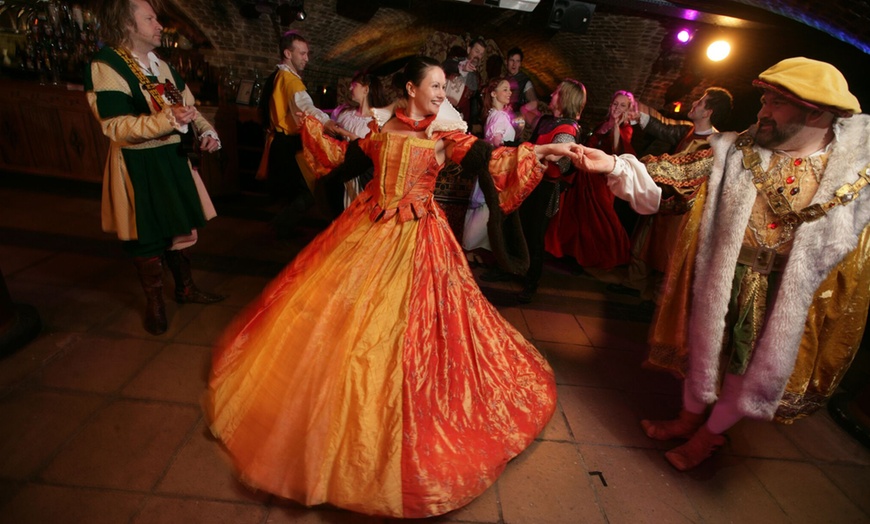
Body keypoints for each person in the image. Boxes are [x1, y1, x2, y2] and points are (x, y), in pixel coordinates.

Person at [208, 56, 579, 518]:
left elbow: (493, 158)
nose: (444, 93)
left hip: (420, 240)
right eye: (437, 85)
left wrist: (543, 153)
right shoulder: (380, 133)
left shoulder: (445, 137)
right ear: (411, 87)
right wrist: (314, 131)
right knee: (340, 321)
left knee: (418, 333)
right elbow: (345, 162)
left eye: (446, 86)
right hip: (366, 228)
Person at [572, 57, 870, 472]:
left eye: (776, 105)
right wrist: (616, 165)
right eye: (764, 100)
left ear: (815, 112)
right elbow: (677, 175)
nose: (762, 111)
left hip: (788, 299)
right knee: (701, 357)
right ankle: (687, 420)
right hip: (724, 280)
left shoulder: (855, 179)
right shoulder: (739, 150)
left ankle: (708, 438)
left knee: (744, 377)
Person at [84, 0, 225, 336]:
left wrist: (206, 130)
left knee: (179, 229)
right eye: (150, 18)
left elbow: (188, 107)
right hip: (138, 163)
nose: (159, 25)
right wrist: (167, 119)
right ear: (127, 24)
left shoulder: (160, 65)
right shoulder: (107, 65)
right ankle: (155, 304)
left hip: (171, 159)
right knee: (146, 237)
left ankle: (185, 288)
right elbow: (116, 126)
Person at [611, 87, 733, 302]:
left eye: (701, 102)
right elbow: (665, 128)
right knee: (645, 239)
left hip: (683, 206)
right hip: (662, 197)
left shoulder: (715, 143)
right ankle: (633, 284)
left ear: (708, 112)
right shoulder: (687, 130)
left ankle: (659, 301)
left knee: (669, 251)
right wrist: (638, 116)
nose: (694, 103)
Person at [256, 31, 341, 238]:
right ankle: (278, 229)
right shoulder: (290, 81)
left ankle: (281, 229)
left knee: (295, 191)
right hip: (288, 145)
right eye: (302, 53)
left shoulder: (277, 77)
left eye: (307, 53)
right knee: (308, 190)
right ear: (287, 53)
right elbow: (305, 108)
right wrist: (328, 122)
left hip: (280, 143)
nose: (306, 58)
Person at [514, 79, 587, 303]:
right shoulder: (547, 120)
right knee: (520, 228)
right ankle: (515, 269)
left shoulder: (569, 128)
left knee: (535, 235)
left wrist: (540, 154)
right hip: (529, 181)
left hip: (545, 188)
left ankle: (531, 281)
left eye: (557, 92)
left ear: (565, 98)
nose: (552, 95)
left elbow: (563, 164)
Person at [462, 77, 524, 259]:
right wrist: (514, 148)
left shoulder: (496, 114)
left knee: (488, 209)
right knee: (487, 209)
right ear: (494, 94)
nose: (509, 93)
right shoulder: (497, 116)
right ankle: (471, 248)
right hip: (497, 167)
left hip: (495, 166)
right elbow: (497, 141)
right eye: (505, 89)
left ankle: (475, 250)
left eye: (509, 90)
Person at [325, 70, 389, 215]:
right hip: (338, 163)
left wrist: (344, 133)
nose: (350, 88)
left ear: (366, 89)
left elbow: (369, 146)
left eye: (354, 85)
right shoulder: (344, 113)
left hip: (362, 171)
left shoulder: (379, 121)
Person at [588, 90, 643, 238]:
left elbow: (618, 150)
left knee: (599, 219)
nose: (617, 107)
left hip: (603, 180)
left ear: (628, 110)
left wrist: (617, 126)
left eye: (622, 105)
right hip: (587, 174)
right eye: (615, 103)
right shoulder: (602, 124)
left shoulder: (626, 129)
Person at [443, 36, 486, 125]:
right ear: (469, 49)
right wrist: (462, 67)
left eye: (481, 54)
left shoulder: (477, 78)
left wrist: (473, 122)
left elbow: (473, 100)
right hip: (442, 110)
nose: (478, 56)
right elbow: (445, 65)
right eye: (476, 51)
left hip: (458, 117)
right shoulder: (454, 61)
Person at [504, 47, 540, 131]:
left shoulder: (524, 81)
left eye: (517, 61)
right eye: (512, 60)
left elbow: (534, 102)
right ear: (507, 62)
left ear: (520, 64)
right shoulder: (502, 79)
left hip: (516, 117)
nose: (514, 64)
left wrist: (522, 109)